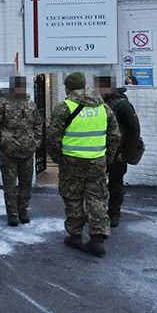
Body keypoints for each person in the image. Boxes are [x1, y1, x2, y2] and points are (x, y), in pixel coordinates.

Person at [47, 72, 120, 258]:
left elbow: (53, 137)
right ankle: (97, 238)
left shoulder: (65, 107)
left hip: (72, 162)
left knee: (73, 197)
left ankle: (75, 234)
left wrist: (58, 158)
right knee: (96, 197)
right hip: (97, 161)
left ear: (68, 87)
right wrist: (107, 157)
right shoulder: (103, 107)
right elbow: (114, 135)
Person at [0, 76, 43, 227]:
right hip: (9, 152)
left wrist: (35, 143)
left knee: (26, 184)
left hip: (27, 151)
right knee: (10, 185)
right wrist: (2, 143)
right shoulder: (3, 104)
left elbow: (38, 125)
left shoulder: (31, 105)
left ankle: (23, 211)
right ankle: (12, 214)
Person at [96, 76, 141, 227]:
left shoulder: (123, 105)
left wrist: (126, 154)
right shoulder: (103, 103)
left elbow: (134, 131)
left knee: (115, 185)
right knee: (100, 184)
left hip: (118, 153)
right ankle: (100, 213)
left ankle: (114, 213)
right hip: (104, 151)